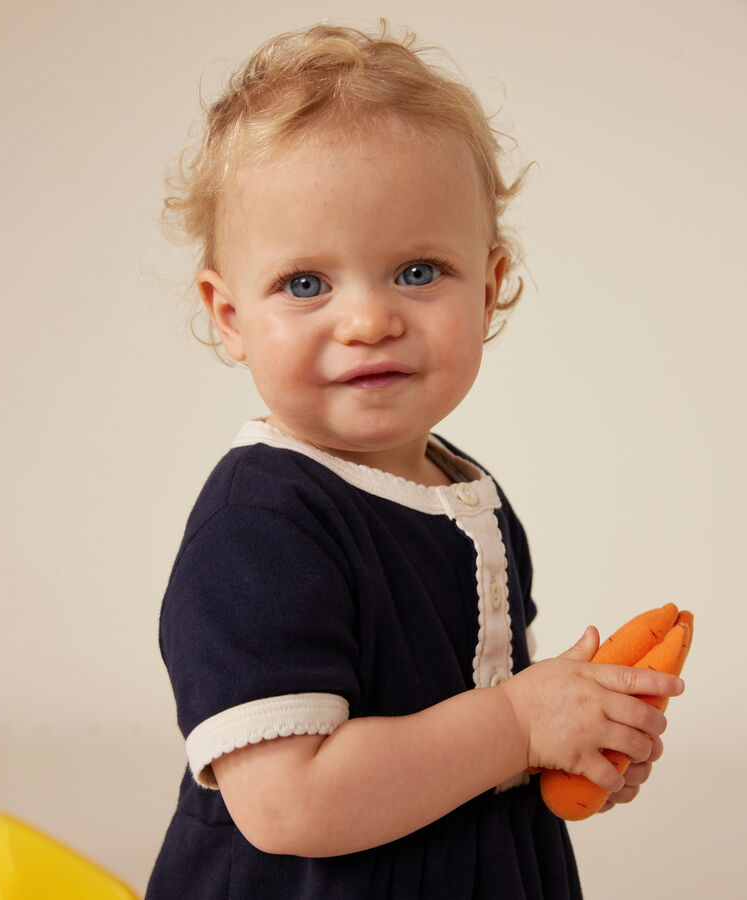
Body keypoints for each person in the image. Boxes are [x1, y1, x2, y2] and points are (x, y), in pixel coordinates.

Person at [146, 23, 683, 899]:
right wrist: (516, 725)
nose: (368, 321)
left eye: (418, 271)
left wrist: (564, 743)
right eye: (306, 284)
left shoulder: (465, 492)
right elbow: (287, 803)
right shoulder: (259, 527)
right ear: (230, 315)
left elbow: (464, 743)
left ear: (488, 286)